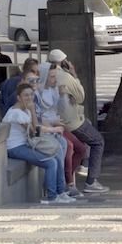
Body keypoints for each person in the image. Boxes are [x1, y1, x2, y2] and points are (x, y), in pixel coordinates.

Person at [48, 49, 110, 194]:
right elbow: (81, 96)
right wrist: (74, 75)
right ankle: (91, 181)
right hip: (70, 121)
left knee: (78, 148)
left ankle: (70, 180)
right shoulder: (65, 77)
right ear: (64, 62)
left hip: (54, 120)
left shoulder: (44, 74)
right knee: (97, 141)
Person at [2, 83, 73, 205]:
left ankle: (61, 192)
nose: (29, 98)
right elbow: (34, 131)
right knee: (51, 162)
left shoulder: (25, 110)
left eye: (31, 95)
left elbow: (35, 127)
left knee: (56, 155)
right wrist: (33, 111)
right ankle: (52, 196)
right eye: (25, 95)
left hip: (25, 144)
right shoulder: (16, 113)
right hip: (15, 147)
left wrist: (32, 111)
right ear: (18, 97)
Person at [35, 62, 87, 198]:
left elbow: (62, 108)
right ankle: (67, 185)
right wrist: (53, 123)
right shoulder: (38, 93)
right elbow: (38, 119)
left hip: (58, 126)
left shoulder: (54, 89)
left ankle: (65, 183)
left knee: (80, 148)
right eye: (52, 77)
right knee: (67, 146)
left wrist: (63, 95)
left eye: (55, 76)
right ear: (45, 77)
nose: (55, 80)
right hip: (49, 128)